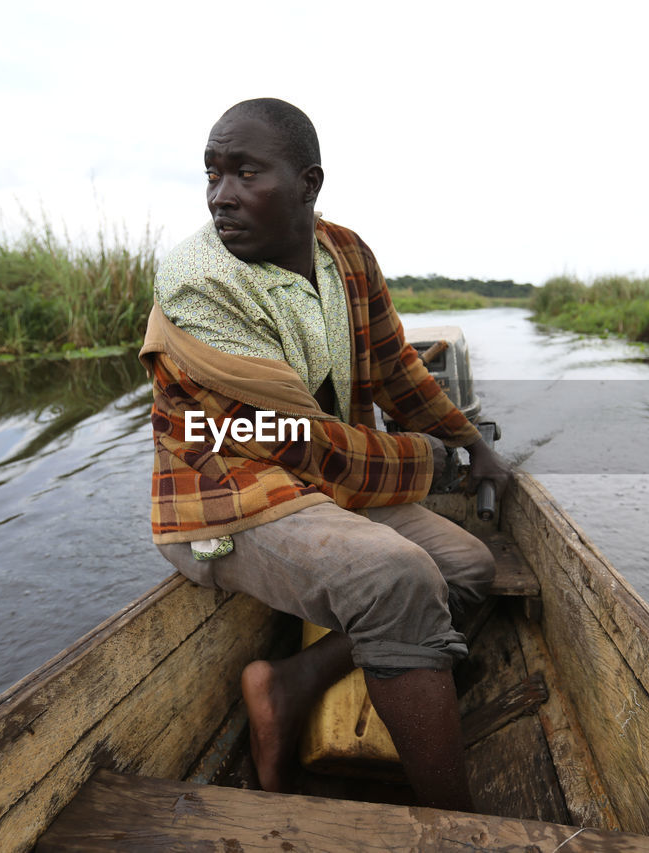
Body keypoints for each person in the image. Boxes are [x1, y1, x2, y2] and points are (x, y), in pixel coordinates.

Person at [140, 98, 512, 811]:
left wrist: (470, 443)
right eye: (212, 174)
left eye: (246, 173)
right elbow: (311, 449)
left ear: (308, 184)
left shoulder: (345, 255)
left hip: (315, 490)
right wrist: (441, 465)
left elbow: (399, 370)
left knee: (469, 568)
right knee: (395, 575)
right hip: (229, 501)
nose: (221, 196)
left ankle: (292, 681)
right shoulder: (198, 285)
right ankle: (459, 827)